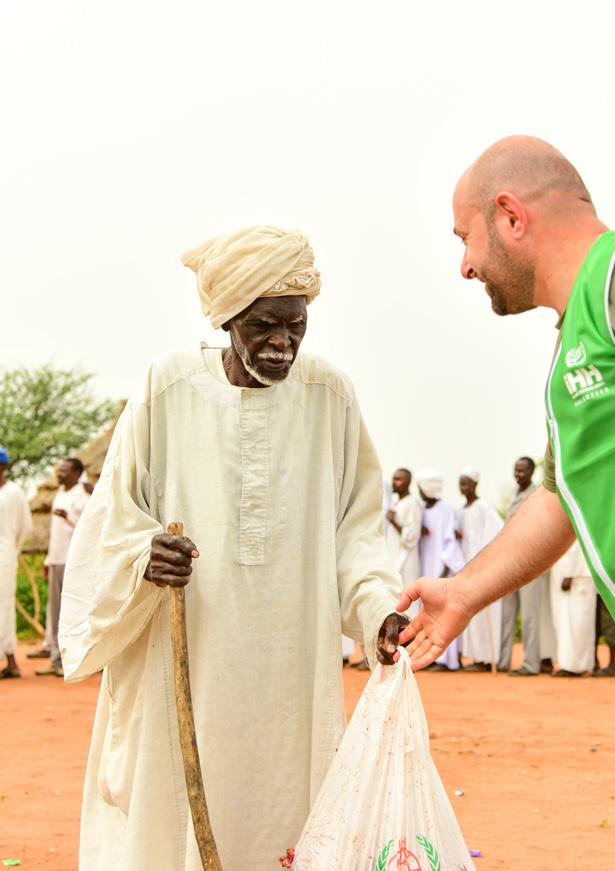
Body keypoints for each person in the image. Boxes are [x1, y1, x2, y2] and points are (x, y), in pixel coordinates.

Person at [399, 135, 615, 870]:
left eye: (464, 238)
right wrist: (463, 592)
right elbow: (560, 497)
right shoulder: (577, 343)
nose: (463, 264)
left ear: (509, 215)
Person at [59, 225, 407, 871]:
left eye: (295, 326)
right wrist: (145, 556)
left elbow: (355, 532)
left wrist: (377, 609)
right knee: (172, 819)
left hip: (289, 665)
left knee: (282, 805)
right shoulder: (167, 387)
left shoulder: (328, 394)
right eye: (264, 327)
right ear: (227, 320)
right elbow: (112, 518)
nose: (283, 344)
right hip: (182, 656)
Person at [33, 458, 90, 678]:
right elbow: (55, 535)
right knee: (55, 611)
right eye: (58, 470)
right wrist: (48, 561)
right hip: (57, 559)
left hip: (74, 561)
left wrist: (68, 517)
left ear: (76, 472)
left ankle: (72, 658)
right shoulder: (60, 494)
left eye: (64, 471)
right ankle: (57, 657)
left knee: (74, 610)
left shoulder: (82, 497)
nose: (59, 474)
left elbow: (89, 529)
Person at [497, 457, 550, 675]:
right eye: (515, 470)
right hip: (509, 562)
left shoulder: (538, 495)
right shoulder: (513, 496)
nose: (518, 474)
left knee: (529, 616)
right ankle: (502, 661)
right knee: (507, 614)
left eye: (522, 471)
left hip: (531, 563)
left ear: (531, 472)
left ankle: (530, 664)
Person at [416, 467, 465, 671]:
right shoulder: (420, 509)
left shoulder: (445, 509)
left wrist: (444, 571)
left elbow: (449, 541)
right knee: (427, 613)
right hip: (424, 567)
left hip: (440, 569)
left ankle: (446, 660)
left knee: (444, 614)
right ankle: (430, 657)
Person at [456, 467, 502, 671]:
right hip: (466, 566)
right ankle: (475, 657)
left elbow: (496, 531)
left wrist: (484, 559)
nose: (462, 487)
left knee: (484, 615)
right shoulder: (461, 511)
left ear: (475, 485)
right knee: (471, 615)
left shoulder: (484, 507)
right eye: (460, 483)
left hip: (481, 565)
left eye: (465, 483)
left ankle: (485, 659)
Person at [0, 446, 32, 679]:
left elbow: (26, 527)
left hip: (4, 554)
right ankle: (10, 660)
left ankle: (10, 659)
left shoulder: (14, 492)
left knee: (4, 605)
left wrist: (12, 547)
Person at [549, 540, 595, 677]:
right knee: (566, 622)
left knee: (578, 623)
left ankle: (575, 666)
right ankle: (568, 663)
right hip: (566, 574)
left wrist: (570, 574)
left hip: (577, 577)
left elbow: (577, 545)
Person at [385, 468, 423, 588]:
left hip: (406, 560)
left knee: (408, 596)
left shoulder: (413, 503)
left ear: (408, 482)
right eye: (393, 479)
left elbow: (412, 536)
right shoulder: (396, 503)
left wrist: (393, 521)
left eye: (398, 479)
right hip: (394, 557)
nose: (394, 482)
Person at [594, 594, 615, 677]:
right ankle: (595, 662)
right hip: (592, 591)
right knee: (594, 624)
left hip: (606, 591)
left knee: (608, 623)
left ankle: (612, 665)